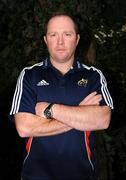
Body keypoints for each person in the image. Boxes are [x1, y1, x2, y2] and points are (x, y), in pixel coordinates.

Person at [10, 12, 113, 180]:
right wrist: (81, 114)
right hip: (36, 176)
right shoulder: (29, 75)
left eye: (67, 34)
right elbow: (24, 128)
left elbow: (102, 120)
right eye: (53, 34)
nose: (60, 42)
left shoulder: (93, 76)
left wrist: (50, 110)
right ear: (46, 40)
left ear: (77, 39)